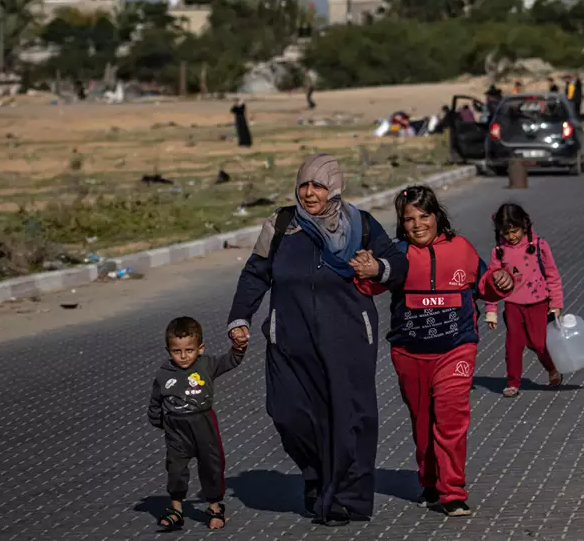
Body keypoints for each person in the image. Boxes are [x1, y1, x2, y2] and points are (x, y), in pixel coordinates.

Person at [226, 154, 407, 524]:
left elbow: (398, 266)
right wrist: (240, 317)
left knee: (350, 418)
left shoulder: (362, 225)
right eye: (304, 185)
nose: (309, 193)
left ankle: (346, 498)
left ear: (334, 188)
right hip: (289, 340)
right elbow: (256, 272)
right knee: (289, 413)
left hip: (349, 340)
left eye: (319, 186)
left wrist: (378, 268)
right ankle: (317, 477)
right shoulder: (280, 224)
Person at [356, 185, 514, 518]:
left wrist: (501, 281)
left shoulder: (461, 249)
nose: (417, 225)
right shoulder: (396, 254)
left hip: (456, 349)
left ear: (436, 216)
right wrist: (366, 269)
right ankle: (429, 480)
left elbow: (485, 284)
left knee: (451, 419)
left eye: (424, 216)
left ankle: (453, 491)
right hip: (409, 354)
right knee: (423, 423)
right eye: (409, 218)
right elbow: (369, 285)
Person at [149, 316, 246, 532]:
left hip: (203, 424)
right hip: (176, 429)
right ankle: (176, 509)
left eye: (189, 350)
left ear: (200, 348)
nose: (183, 356)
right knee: (175, 469)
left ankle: (214, 507)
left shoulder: (207, 364)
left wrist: (239, 347)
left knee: (211, 465)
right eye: (177, 351)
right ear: (169, 351)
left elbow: (231, 360)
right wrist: (158, 420)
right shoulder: (164, 373)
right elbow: (156, 400)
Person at [484, 202, 564, 398]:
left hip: (538, 302)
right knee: (513, 345)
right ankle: (512, 382)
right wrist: (491, 310)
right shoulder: (499, 252)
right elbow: (491, 283)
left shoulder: (538, 246)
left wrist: (556, 303)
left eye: (515, 231)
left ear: (525, 225)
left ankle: (552, 369)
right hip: (513, 305)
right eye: (506, 232)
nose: (511, 237)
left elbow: (552, 275)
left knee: (538, 343)